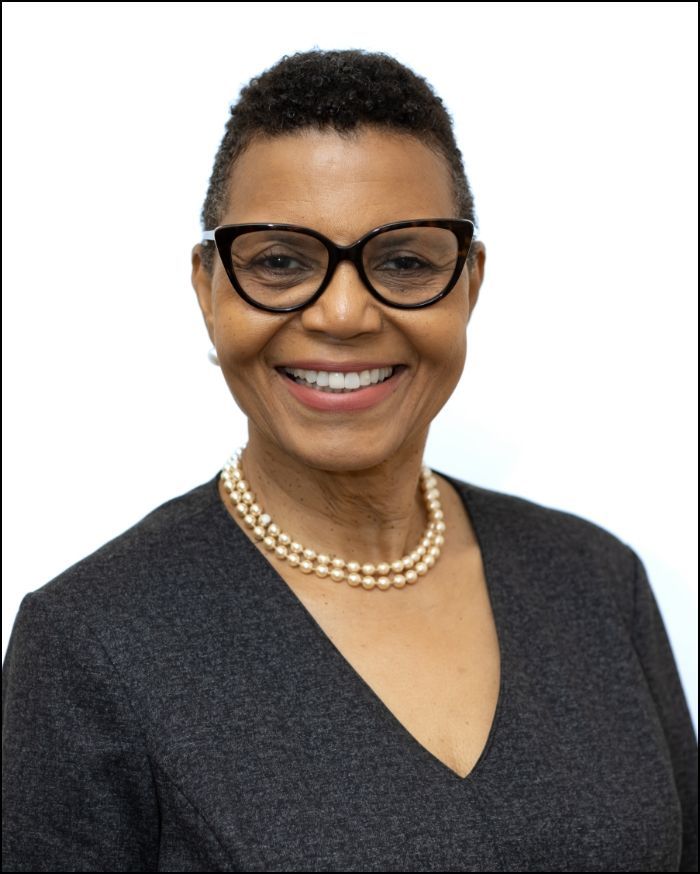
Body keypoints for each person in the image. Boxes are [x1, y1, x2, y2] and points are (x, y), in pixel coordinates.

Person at [2, 48, 697, 873]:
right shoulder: (89, 644)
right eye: (280, 262)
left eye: (404, 262)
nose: (342, 313)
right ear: (208, 288)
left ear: (469, 284)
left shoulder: (594, 582)